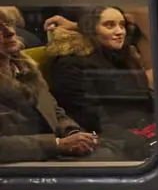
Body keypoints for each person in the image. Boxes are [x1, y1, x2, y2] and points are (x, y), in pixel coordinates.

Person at [44, 6, 155, 160]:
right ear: (91, 30)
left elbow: (143, 98)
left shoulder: (123, 56)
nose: (119, 31)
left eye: (122, 25)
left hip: (139, 126)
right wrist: (136, 140)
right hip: (109, 137)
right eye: (109, 25)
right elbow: (89, 116)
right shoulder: (71, 62)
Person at [1, 9, 101, 163]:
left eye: (8, 24)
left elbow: (55, 111)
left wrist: (73, 132)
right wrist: (57, 144)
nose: (9, 32)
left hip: (50, 157)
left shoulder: (26, 69)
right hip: (18, 168)